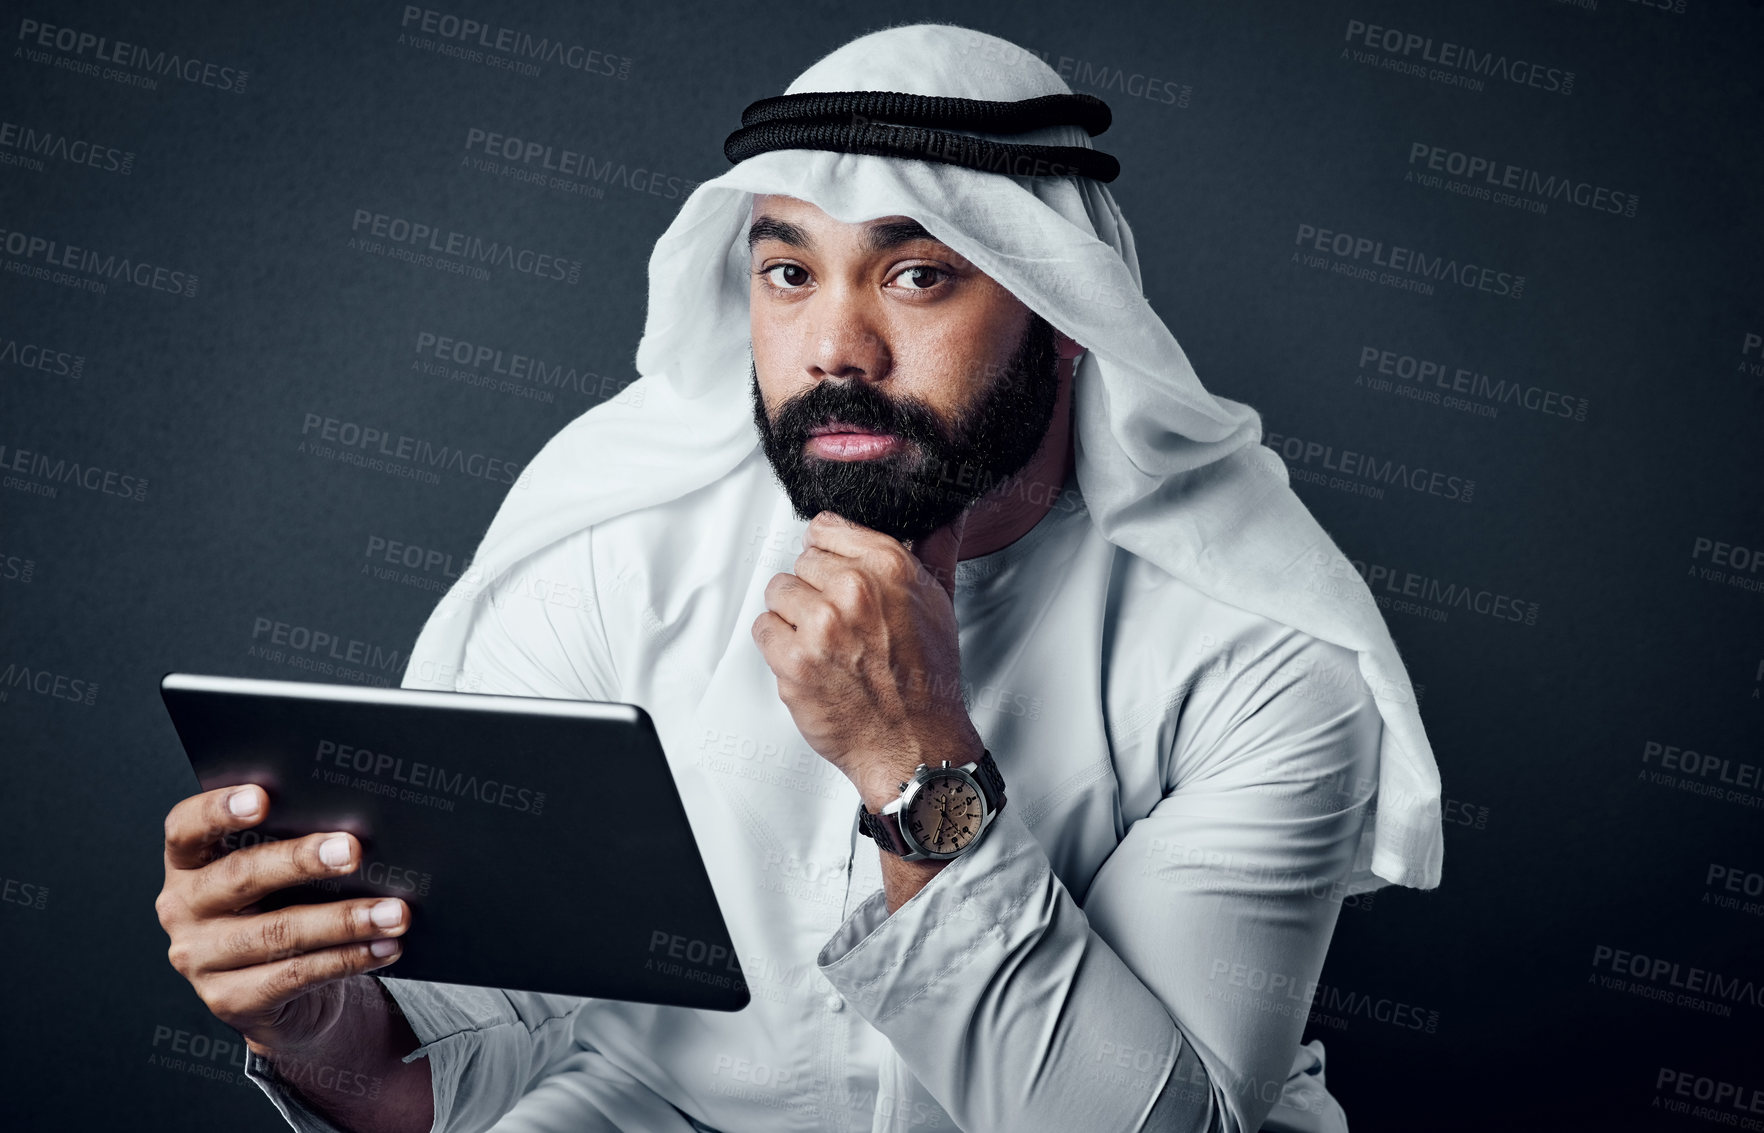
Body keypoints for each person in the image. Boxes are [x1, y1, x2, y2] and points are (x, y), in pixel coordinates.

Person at [155, 22, 1444, 1133]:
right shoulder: (607, 565)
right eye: (788, 273)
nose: (834, 345)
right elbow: (459, 1074)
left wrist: (916, 761)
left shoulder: (1257, 652)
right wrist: (316, 1017)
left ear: (1063, 320)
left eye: (917, 275)